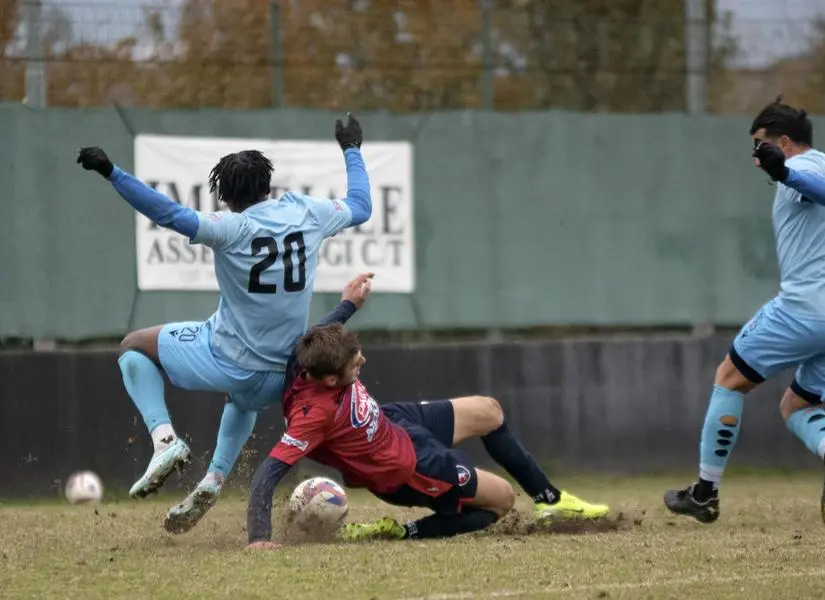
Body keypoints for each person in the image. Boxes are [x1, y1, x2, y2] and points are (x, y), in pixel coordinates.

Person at [76, 114, 372, 534]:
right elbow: (361, 206)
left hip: (226, 358)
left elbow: (169, 214)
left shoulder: (231, 227)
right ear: (267, 186)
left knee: (134, 346)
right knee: (243, 401)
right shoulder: (307, 213)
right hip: (286, 375)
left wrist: (112, 172)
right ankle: (214, 479)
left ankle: (165, 441)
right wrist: (352, 147)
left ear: (226, 198)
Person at [245, 278, 610, 549]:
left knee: (489, 410)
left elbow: (323, 331)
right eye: (354, 365)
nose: (363, 362)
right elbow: (269, 471)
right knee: (502, 501)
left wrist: (349, 304)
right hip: (404, 466)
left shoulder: (304, 354)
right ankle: (402, 531)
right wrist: (259, 537)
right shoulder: (314, 416)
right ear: (328, 379)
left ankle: (551, 502)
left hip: (393, 422)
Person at [664, 98, 825, 525]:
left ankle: (705, 493)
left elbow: (818, 194)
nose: (756, 159)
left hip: (805, 311)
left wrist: (782, 171)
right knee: (796, 405)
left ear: (783, 142)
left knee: (728, 378)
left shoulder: (803, 173)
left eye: (759, 147)